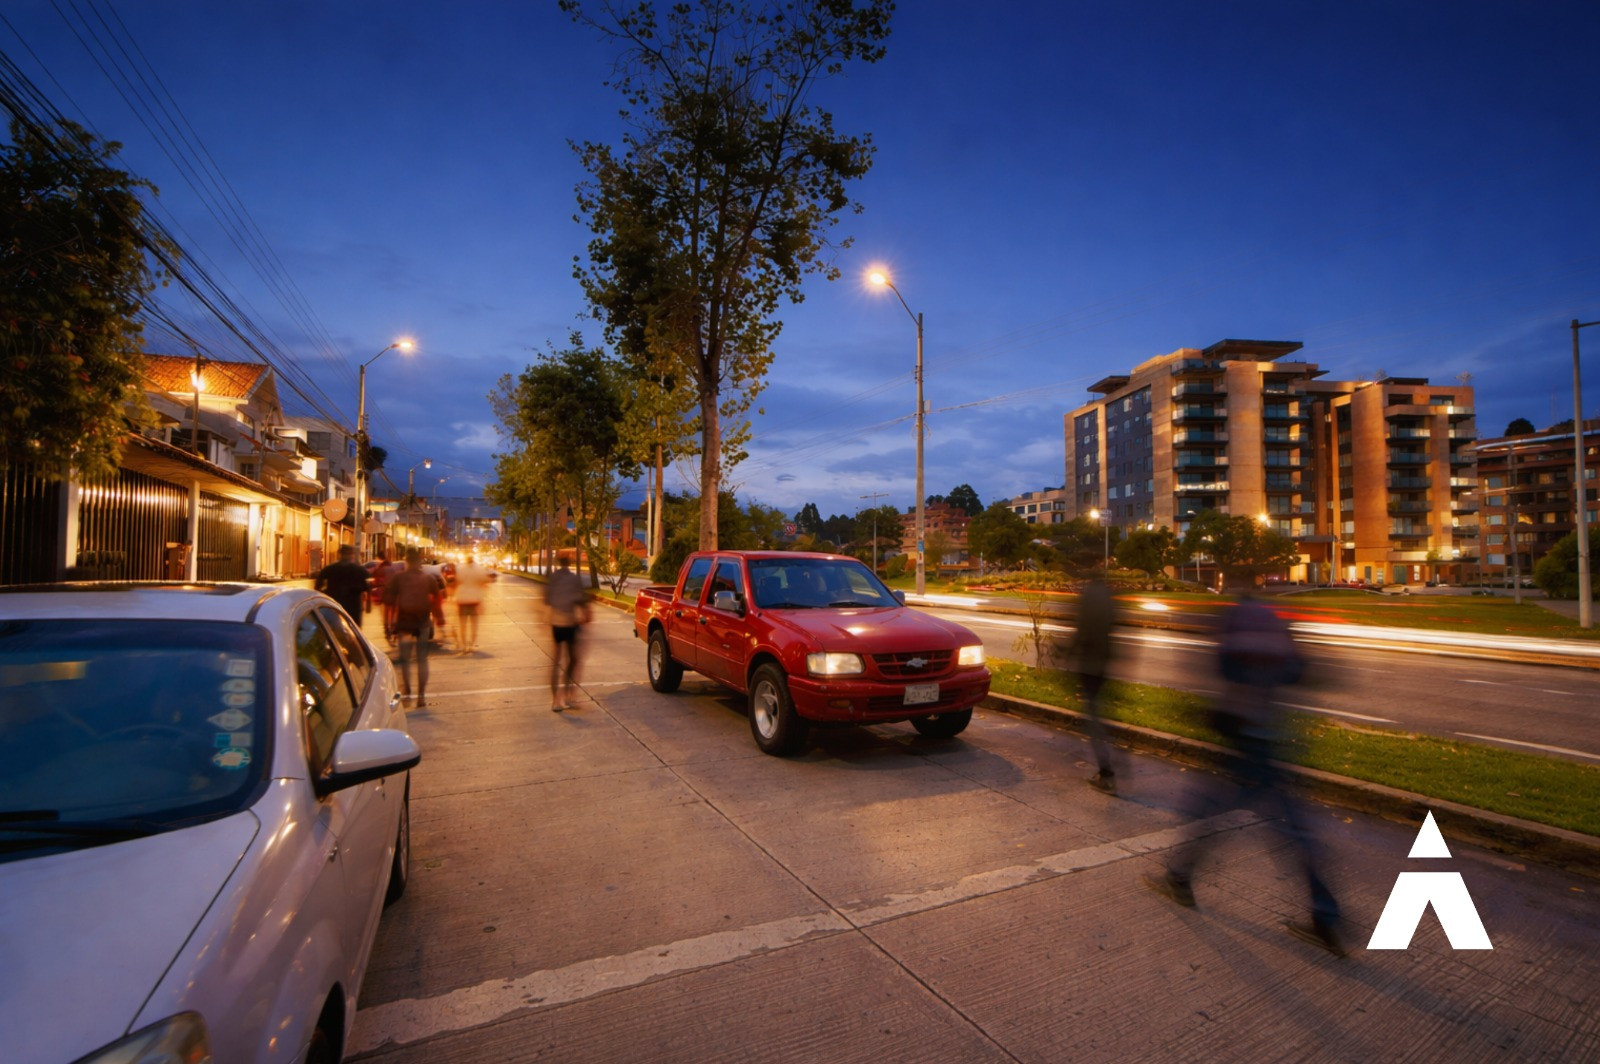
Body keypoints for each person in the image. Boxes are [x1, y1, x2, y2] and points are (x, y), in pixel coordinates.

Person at [1143, 591, 1345, 956]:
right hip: (1275, 735)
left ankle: (1179, 877)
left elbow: (1221, 671)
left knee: (1208, 812)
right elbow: (1300, 672)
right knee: (1293, 829)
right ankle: (1325, 915)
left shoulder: (1234, 618)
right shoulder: (1277, 620)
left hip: (1243, 736)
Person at [1070, 576, 1118, 794]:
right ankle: (1109, 767)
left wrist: (1067, 651)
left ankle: (1107, 773)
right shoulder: (1106, 594)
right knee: (1097, 713)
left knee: (1094, 718)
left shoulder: (1089, 595)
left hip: (1089, 665)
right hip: (1103, 662)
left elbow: (1082, 631)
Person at [384, 548, 440, 707]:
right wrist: (439, 618)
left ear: (406, 561)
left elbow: (389, 603)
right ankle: (421, 696)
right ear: (420, 561)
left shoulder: (398, 578)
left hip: (404, 624)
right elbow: (436, 600)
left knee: (405, 659)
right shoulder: (428, 578)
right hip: (422, 623)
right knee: (422, 659)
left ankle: (407, 690)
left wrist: (387, 626)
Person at [543, 556, 590, 711]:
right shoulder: (574, 579)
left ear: (558, 563)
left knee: (556, 661)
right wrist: (585, 613)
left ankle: (555, 701)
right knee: (573, 660)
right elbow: (580, 599)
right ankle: (568, 695)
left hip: (556, 623)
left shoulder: (553, 578)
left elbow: (547, 599)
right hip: (570, 623)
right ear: (569, 564)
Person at [314, 545, 371, 623]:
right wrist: (368, 604)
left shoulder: (330, 569)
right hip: (353, 605)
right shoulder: (359, 570)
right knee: (353, 625)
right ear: (352, 555)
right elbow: (367, 586)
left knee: (334, 626)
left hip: (334, 603)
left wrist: (323, 596)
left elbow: (318, 586)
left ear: (340, 555)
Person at [453, 554, 491, 655]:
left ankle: (464, 645)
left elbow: (456, 581)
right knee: (474, 624)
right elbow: (485, 580)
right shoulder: (480, 569)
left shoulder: (459, 568)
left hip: (462, 600)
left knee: (462, 624)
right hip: (475, 600)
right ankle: (471, 645)